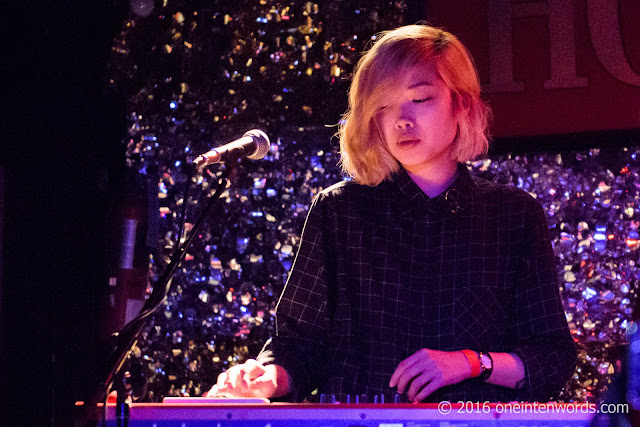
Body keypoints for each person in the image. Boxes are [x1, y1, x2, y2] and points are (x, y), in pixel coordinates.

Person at [207, 24, 577, 403]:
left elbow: (550, 359)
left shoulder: (512, 215)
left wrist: (469, 362)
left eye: (420, 99)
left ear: (461, 104)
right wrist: (264, 379)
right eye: (383, 106)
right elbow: (299, 347)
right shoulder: (339, 210)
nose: (402, 119)